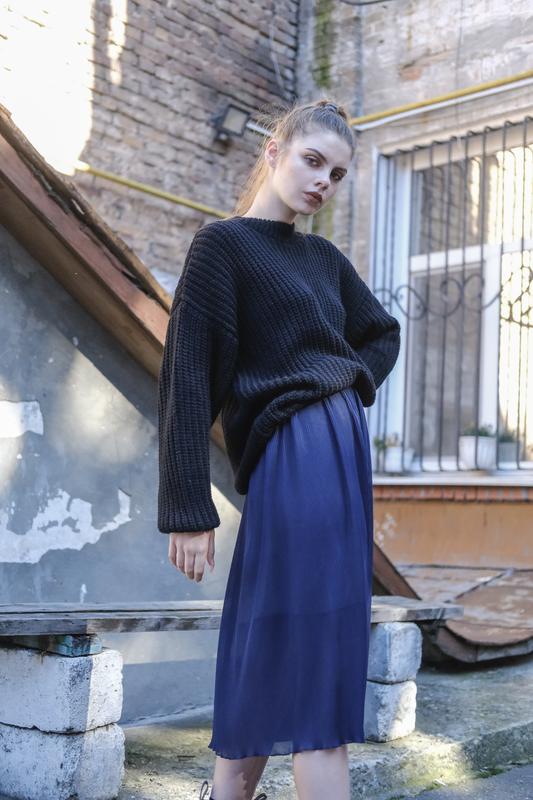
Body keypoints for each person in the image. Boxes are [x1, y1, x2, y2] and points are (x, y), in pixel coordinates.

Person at [157, 98, 401, 800]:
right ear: (273, 151)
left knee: (304, 632)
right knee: (282, 633)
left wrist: (344, 383)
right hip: (293, 455)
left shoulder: (323, 259)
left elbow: (381, 334)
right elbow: (187, 378)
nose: (323, 181)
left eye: (337, 174)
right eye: (312, 161)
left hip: (341, 456)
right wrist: (187, 508)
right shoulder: (223, 246)